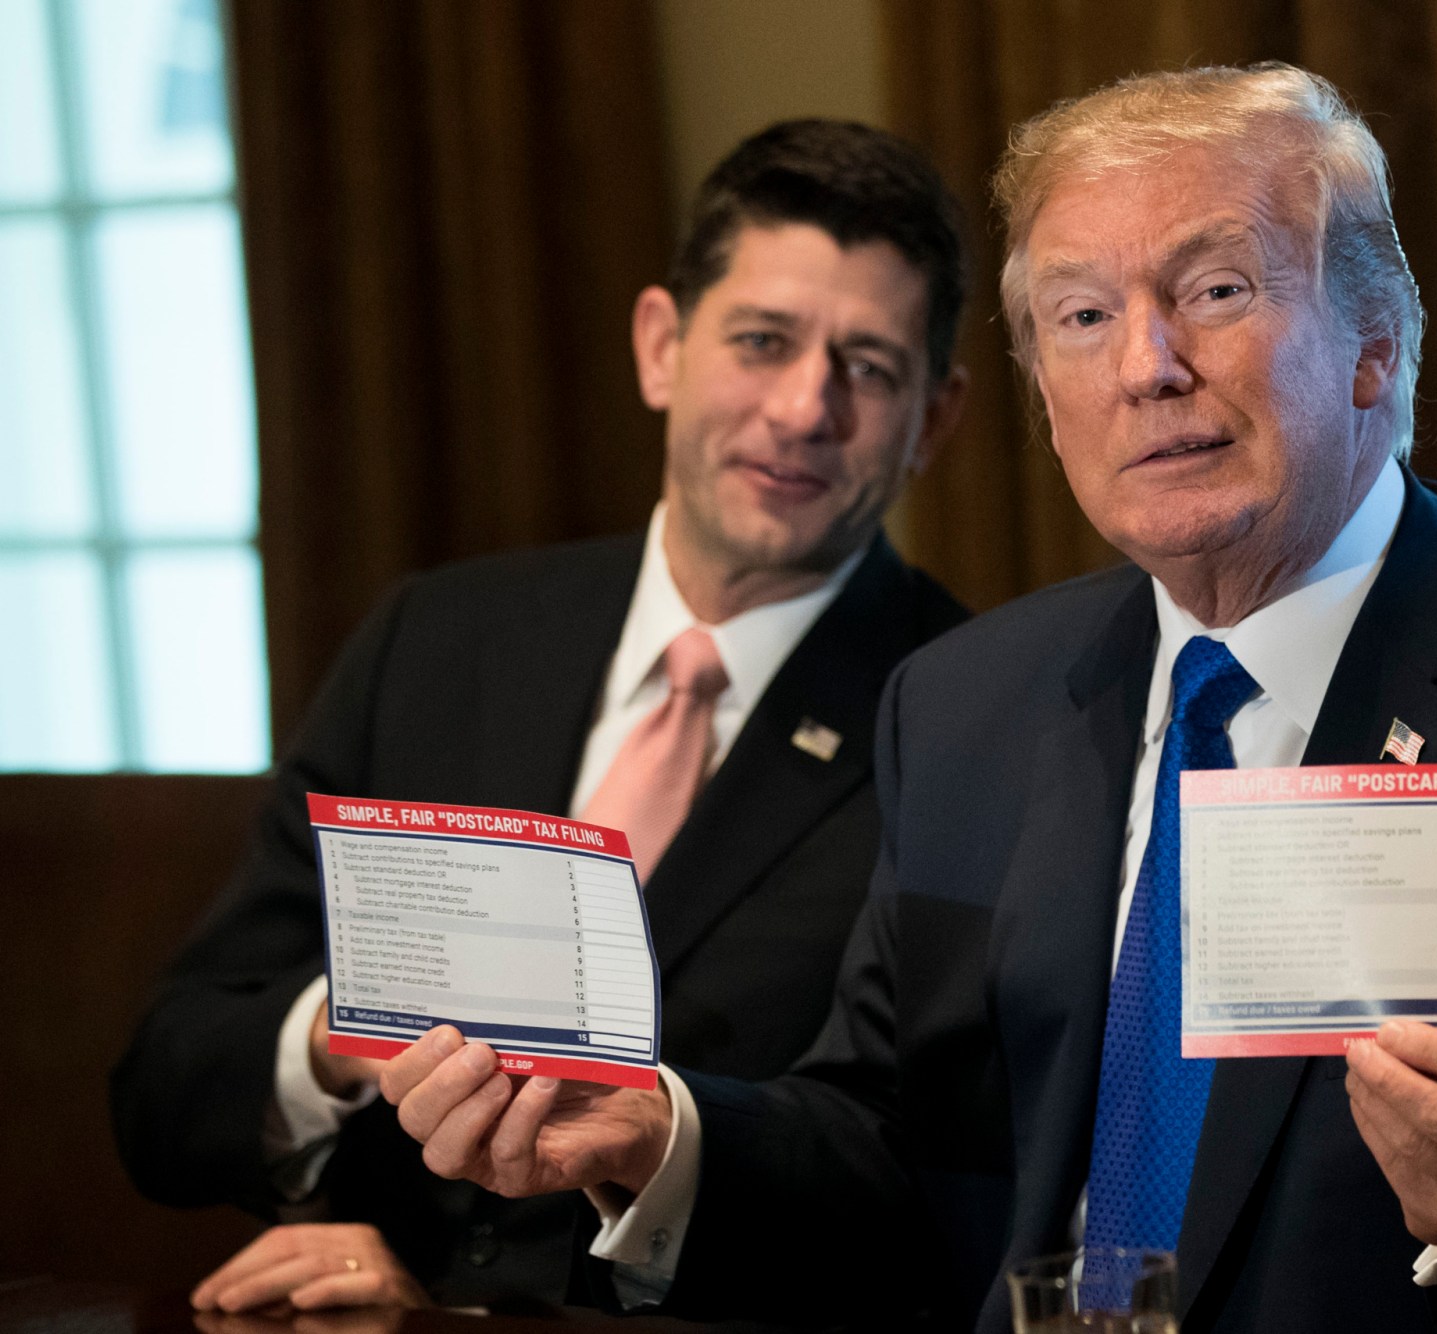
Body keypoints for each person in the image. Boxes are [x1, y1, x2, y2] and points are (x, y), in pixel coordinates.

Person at [371, 65, 1437, 1332]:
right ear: (1040, 391)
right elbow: (889, 1159)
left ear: (1376, 342)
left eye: (1214, 290)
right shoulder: (965, 703)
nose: (1147, 368)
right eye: (1083, 318)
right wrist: (663, 1139)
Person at [109, 118, 970, 1315]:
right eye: (761, 341)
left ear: (932, 419)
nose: (801, 408)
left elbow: (942, 1188)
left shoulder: (969, 710)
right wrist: (345, 1039)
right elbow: (164, 1085)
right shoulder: (439, 636)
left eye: (867, 367)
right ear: (661, 346)